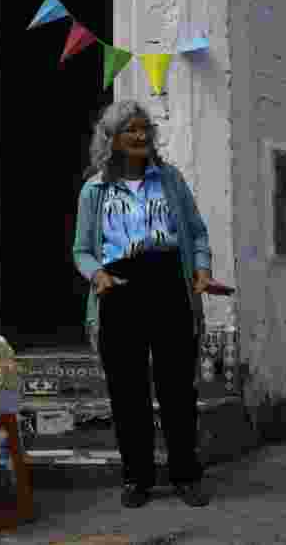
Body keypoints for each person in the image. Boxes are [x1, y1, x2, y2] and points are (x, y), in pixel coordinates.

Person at [72, 99, 213, 509]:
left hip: (169, 284)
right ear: (111, 138)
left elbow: (197, 234)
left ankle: (186, 474)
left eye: (144, 127)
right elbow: (82, 250)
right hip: (119, 290)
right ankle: (137, 478)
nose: (139, 135)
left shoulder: (170, 180)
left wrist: (200, 271)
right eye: (130, 129)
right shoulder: (94, 189)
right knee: (127, 391)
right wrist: (98, 276)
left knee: (177, 389)